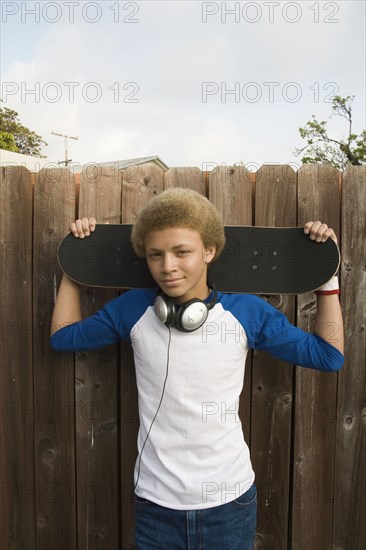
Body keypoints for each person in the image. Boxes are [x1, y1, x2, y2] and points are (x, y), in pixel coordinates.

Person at [50, 188, 344, 550]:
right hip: (155, 504)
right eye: (156, 255)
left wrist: (325, 276)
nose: (167, 266)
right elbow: (62, 339)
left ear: (209, 251)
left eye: (182, 252)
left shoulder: (246, 314)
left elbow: (330, 357)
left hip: (228, 504)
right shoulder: (133, 310)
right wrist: (76, 264)